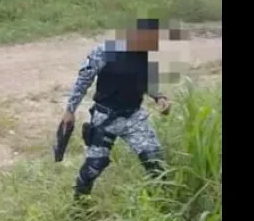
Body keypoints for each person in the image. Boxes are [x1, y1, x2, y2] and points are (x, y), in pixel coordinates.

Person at [61, 18, 172, 198]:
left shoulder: (146, 55)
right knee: (94, 167)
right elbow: (83, 79)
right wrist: (70, 110)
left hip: (134, 117)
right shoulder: (106, 51)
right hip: (105, 118)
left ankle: (163, 205)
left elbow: (146, 81)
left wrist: (159, 97)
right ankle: (79, 207)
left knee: (156, 163)